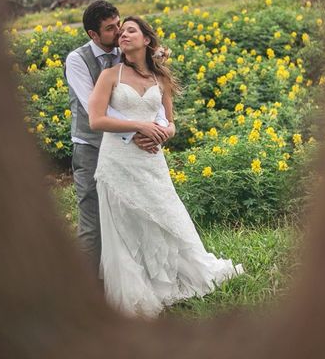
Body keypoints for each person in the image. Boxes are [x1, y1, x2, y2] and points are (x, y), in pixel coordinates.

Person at [88, 16, 243, 318]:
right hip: (116, 160)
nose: (123, 35)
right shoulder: (110, 75)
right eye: (120, 32)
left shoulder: (161, 80)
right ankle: (138, 291)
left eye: (130, 30)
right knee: (124, 226)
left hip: (150, 160)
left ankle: (176, 277)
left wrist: (162, 133)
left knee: (167, 216)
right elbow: (96, 120)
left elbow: (171, 124)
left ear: (146, 40)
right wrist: (139, 126)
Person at [65, 1, 167, 277]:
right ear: (92, 35)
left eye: (119, 23)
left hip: (131, 150)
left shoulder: (126, 50)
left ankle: (132, 277)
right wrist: (136, 131)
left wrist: (158, 128)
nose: (119, 31)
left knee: (130, 215)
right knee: (93, 222)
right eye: (110, 28)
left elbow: (153, 92)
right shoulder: (77, 60)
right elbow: (93, 108)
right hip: (91, 147)